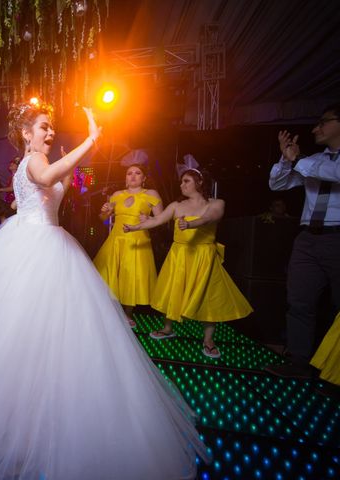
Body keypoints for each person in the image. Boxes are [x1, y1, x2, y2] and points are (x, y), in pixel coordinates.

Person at [0, 101, 209, 479]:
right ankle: (11, 419)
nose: (50, 133)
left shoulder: (44, 162)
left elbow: (58, 184)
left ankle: (43, 410)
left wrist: (88, 149)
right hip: (34, 249)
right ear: (26, 134)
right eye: (44, 127)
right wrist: (90, 140)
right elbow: (48, 178)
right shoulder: (33, 161)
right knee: (23, 333)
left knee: (58, 338)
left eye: (51, 128)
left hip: (53, 246)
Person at [124, 165, 253, 359]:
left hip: (204, 256)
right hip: (179, 254)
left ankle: (208, 340)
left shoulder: (216, 203)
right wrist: (133, 228)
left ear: (199, 183)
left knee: (207, 295)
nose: (181, 184)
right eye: (181, 181)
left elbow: (210, 218)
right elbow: (157, 220)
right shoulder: (177, 205)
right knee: (173, 290)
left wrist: (190, 223)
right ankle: (168, 328)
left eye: (186, 181)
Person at [264, 103, 340, 378]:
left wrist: (299, 161)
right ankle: (298, 362)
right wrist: (286, 160)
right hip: (308, 238)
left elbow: (335, 174)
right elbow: (278, 184)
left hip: (337, 237)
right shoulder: (314, 160)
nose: (315, 128)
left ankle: (334, 370)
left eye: (322, 122)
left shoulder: (314, 164)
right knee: (299, 301)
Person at [93, 160, 163, 327]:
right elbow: (103, 219)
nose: (133, 176)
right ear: (125, 178)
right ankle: (110, 312)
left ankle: (127, 314)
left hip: (137, 241)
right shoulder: (117, 194)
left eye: (137, 173)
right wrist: (104, 212)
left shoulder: (151, 194)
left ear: (144, 178)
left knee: (131, 276)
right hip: (116, 240)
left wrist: (150, 218)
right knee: (109, 275)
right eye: (129, 173)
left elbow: (162, 219)